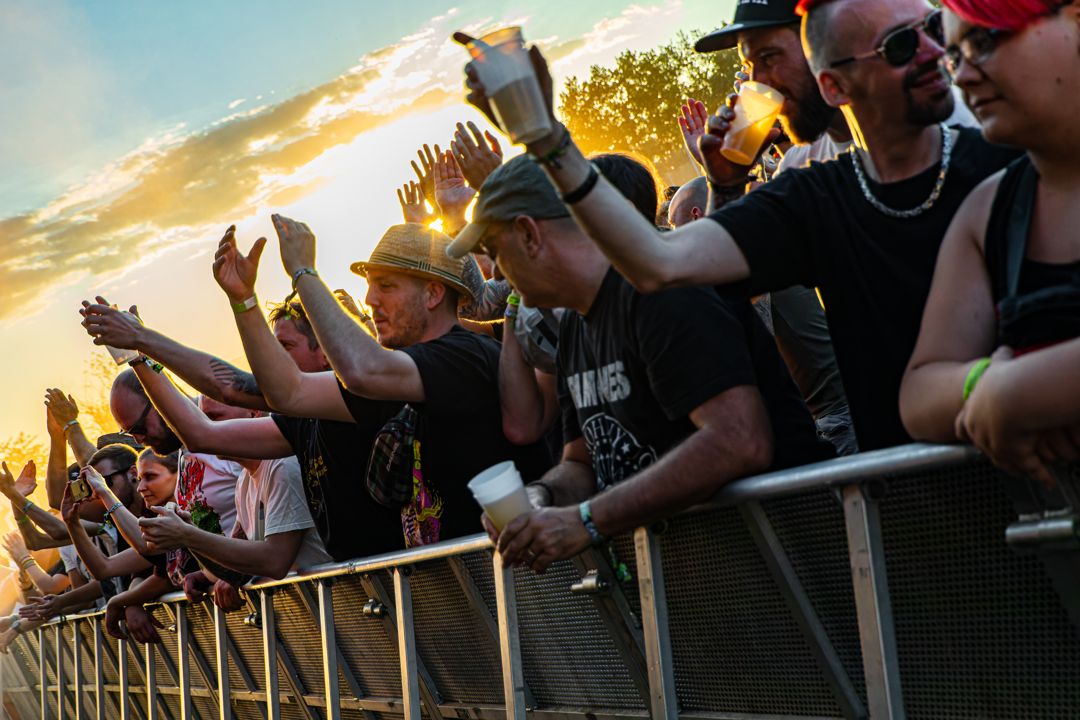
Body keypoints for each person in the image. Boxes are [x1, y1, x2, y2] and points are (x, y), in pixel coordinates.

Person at [458, 0, 1021, 452]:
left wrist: (1020, 391)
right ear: (835, 85)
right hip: (918, 504)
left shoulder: (1004, 158)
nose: (933, 52)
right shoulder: (815, 194)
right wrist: (545, 138)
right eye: (902, 45)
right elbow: (663, 266)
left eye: (931, 28)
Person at [447, 155, 834, 572]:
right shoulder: (577, 325)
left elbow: (739, 438)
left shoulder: (657, 289)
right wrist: (541, 496)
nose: (500, 273)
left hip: (792, 566)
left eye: (495, 252)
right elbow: (581, 463)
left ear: (529, 233)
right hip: (707, 591)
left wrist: (588, 520)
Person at [212, 219, 551, 547]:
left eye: (386, 286)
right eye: (371, 285)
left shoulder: (464, 356)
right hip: (461, 587)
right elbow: (288, 393)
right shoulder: (403, 375)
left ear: (433, 294)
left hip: (516, 584)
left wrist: (303, 272)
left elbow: (361, 370)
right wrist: (244, 300)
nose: (371, 299)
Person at [900, 0, 1080, 484]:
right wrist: (986, 382)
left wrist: (1027, 387)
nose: (962, 76)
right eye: (955, 55)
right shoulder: (989, 211)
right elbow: (919, 393)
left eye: (983, 41)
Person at [79, 296, 405, 563]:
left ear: (325, 351)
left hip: (413, 584)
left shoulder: (357, 396)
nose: (274, 359)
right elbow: (200, 432)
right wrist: (140, 355)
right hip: (370, 596)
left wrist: (145, 341)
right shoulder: (298, 422)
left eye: (285, 347)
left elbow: (273, 562)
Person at [133, 383, 333, 584]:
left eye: (214, 418)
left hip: (338, 607)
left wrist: (189, 536)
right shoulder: (244, 481)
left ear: (253, 413)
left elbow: (275, 561)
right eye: (201, 419)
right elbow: (239, 570)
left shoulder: (282, 466)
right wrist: (199, 558)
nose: (203, 430)